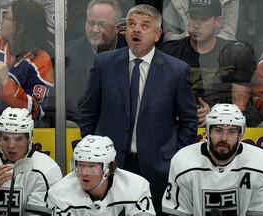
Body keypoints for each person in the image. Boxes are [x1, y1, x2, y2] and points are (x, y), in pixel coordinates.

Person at [80, 4, 198, 215]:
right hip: (111, 166)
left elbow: (189, 122)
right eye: (132, 24)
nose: (136, 30)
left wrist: (173, 156)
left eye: (145, 26)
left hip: (158, 168)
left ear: (157, 34)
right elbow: (88, 112)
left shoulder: (176, 70)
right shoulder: (104, 64)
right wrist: (95, 155)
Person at [159, 0, 257, 127]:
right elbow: (160, 99)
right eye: (192, 17)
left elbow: (239, 107)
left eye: (203, 19)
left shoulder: (237, 53)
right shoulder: (170, 51)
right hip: (178, 124)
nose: (196, 25)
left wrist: (214, 114)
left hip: (223, 125)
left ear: (218, 21)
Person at [162, 103, 263, 215]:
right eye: (218, 130)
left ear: (240, 135)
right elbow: (175, 213)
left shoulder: (260, 162)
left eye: (232, 132)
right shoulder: (183, 160)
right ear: (208, 132)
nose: (224, 138)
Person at [0, 0, 54, 128]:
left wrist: (7, 84)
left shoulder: (41, 60)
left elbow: (37, 112)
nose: (0, 21)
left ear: (20, 28)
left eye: (6, 17)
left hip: (22, 131)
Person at [0, 107, 62, 215]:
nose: (11, 146)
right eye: (5, 138)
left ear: (29, 138)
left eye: (18, 139)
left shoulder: (47, 169)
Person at [48, 135, 155, 215]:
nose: (84, 173)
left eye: (91, 167)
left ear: (109, 168)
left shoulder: (136, 187)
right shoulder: (59, 194)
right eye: (80, 165)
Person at [65, 0, 127, 127]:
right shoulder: (71, 54)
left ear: (117, 28)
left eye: (102, 25)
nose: (95, 30)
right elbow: (73, 106)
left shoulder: (131, 52)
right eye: (91, 23)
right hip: (86, 128)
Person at [162, 0, 239, 42]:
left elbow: (228, 35)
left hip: (217, 58)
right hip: (182, 54)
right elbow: (168, 37)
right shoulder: (173, 1)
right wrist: (186, 38)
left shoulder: (229, 1)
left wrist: (208, 42)